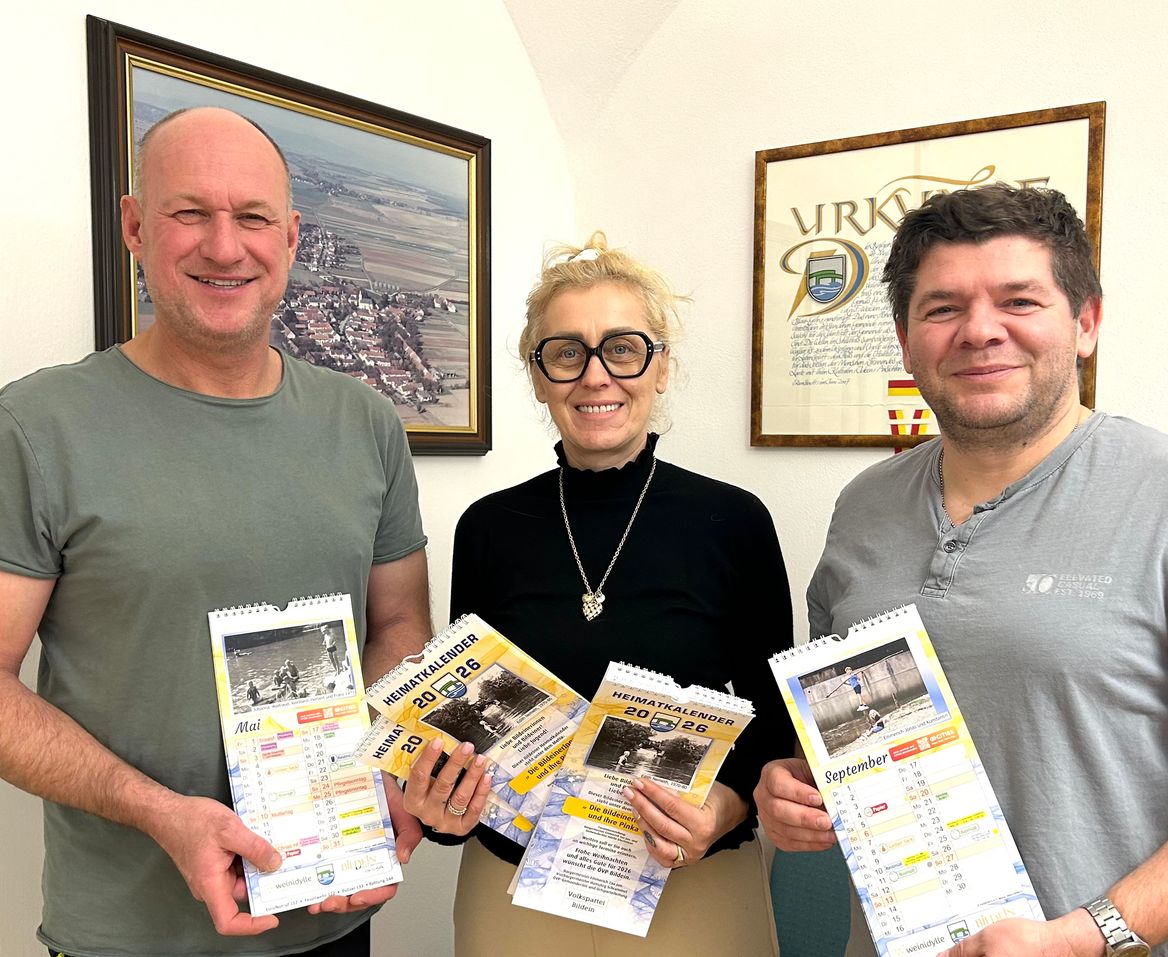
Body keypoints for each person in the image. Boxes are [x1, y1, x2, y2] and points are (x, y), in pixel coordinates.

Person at [754, 184, 1168, 957]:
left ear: (1087, 321)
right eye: (942, 308)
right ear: (905, 340)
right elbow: (857, 737)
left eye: (1019, 300)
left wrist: (1085, 935)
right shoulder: (864, 505)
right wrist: (796, 790)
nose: (979, 331)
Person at [0, 108, 429, 957]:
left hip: (332, 917)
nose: (225, 247)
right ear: (134, 225)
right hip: (130, 937)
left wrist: (384, 763)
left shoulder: (366, 422)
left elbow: (400, 628)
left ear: (293, 237)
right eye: (189, 212)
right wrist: (160, 811)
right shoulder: (37, 426)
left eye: (253, 217)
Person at [404, 233, 793, 956]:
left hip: (688, 879)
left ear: (661, 365)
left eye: (622, 347)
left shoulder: (733, 521)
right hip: (513, 889)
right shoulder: (488, 528)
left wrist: (723, 807)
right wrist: (440, 805)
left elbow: (776, 728)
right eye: (565, 352)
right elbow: (466, 720)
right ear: (539, 374)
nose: (595, 375)